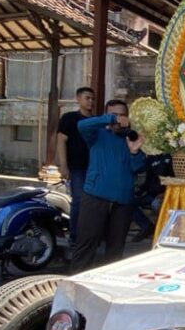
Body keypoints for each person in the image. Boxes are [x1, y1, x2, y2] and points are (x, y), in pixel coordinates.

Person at [70, 100, 147, 272]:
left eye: (122, 115)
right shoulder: (97, 135)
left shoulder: (130, 139)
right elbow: (82, 125)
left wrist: (134, 151)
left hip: (123, 203)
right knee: (86, 247)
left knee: (115, 251)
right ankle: (75, 289)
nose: (119, 119)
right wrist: (109, 119)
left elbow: (138, 168)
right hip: (95, 198)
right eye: (114, 114)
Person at [55, 86, 96, 242]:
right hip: (77, 167)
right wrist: (63, 165)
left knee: (93, 202)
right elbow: (61, 141)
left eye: (92, 98)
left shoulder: (95, 120)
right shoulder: (69, 118)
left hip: (94, 167)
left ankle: (90, 235)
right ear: (78, 99)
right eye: (87, 98)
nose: (90, 101)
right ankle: (75, 235)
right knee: (78, 200)